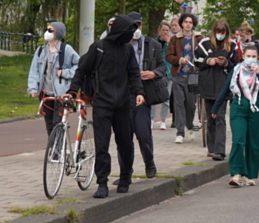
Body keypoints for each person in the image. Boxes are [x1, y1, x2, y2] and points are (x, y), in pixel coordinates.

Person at [67, 14, 145, 198]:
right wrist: (72, 91)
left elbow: (134, 73)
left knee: (125, 143)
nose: (130, 36)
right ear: (119, 30)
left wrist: (139, 92)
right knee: (102, 145)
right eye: (128, 32)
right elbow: (82, 70)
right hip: (102, 104)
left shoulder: (127, 50)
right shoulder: (98, 48)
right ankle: (102, 183)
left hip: (124, 104)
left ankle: (125, 177)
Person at [212, 44, 259, 187]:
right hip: (238, 106)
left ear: (257, 58)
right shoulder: (236, 70)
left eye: (253, 57)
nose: (251, 59)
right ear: (243, 56)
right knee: (238, 139)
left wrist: (258, 73)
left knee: (254, 142)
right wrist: (215, 108)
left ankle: (249, 174)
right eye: (248, 56)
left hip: (256, 107)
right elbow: (225, 89)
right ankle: (236, 173)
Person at [127, 12, 164, 179]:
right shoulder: (120, 44)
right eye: (132, 25)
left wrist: (154, 73)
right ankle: (126, 172)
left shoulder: (152, 44)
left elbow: (163, 66)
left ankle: (149, 163)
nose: (136, 29)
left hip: (144, 93)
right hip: (124, 94)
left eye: (138, 25)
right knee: (124, 136)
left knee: (143, 133)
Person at [27, 21, 80, 138]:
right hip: (45, 94)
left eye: (51, 30)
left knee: (58, 124)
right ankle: (53, 151)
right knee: (49, 125)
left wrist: (65, 73)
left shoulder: (66, 49)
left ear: (58, 33)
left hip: (61, 94)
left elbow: (79, 66)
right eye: (47, 29)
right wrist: (33, 88)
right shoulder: (41, 50)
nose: (47, 32)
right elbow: (34, 70)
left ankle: (58, 152)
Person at [195, 18, 235, 161]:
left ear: (226, 32)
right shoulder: (204, 44)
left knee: (220, 118)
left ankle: (220, 150)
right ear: (214, 31)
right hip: (207, 85)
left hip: (223, 87)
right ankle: (211, 149)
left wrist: (226, 63)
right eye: (218, 31)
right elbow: (196, 61)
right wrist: (208, 61)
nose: (220, 34)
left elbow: (236, 65)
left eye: (223, 32)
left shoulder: (232, 46)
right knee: (210, 119)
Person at [165, 13, 202, 144]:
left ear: (193, 24)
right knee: (178, 104)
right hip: (178, 75)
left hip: (193, 76)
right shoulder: (175, 39)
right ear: (182, 23)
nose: (188, 24)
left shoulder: (199, 38)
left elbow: (204, 53)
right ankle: (180, 132)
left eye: (190, 22)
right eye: (185, 22)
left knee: (191, 105)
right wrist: (179, 60)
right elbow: (168, 56)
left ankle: (190, 125)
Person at [152, 20, 173, 131]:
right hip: (156, 73)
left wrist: (168, 42)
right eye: (163, 30)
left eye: (167, 30)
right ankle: (151, 119)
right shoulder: (154, 42)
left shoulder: (171, 42)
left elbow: (172, 55)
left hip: (168, 73)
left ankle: (163, 120)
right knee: (153, 97)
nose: (165, 32)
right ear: (159, 30)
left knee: (166, 97)